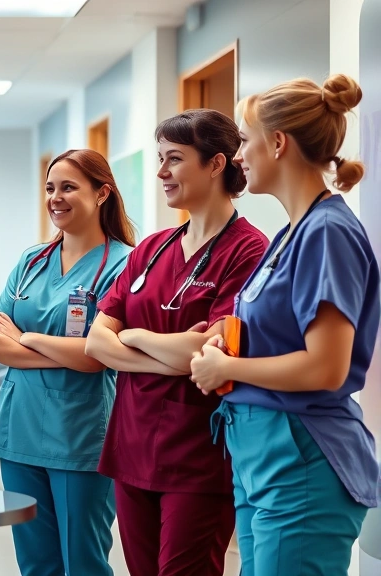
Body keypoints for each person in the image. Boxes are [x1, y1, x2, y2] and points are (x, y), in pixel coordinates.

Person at [191, 74, 378, 576]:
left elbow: (325, 368)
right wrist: (225, 336)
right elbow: (277, 326)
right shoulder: (292, 233)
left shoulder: (328, 233)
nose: (237, 157)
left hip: (302, 458)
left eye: (244, 142)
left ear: (277, 143)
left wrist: (227, 368)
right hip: (262, 457)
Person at [84, 109, 269, 576]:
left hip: (198, 455)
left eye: (174, 159)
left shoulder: (248, 251)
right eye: (160, 159)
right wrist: (170, 353)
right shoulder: (153, 248)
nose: (162, 173)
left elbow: (210, 353)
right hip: (132, 446)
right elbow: (95, 343)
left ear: (215, 164)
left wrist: (134, 335)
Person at [0, 148, 135, 576]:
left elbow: (95, 357)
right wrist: (62, 351)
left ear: (102, 192)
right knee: (35, 563)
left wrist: (26, 338)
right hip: (19, 432)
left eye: (69, 187)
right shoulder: (31, 262)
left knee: (83, 561)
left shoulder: (123, 265)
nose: (56, 197)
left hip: (81, 436)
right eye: (50, 188)